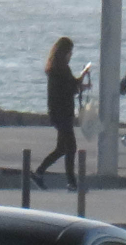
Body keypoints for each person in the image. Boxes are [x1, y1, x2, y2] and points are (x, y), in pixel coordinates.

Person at [31, 36, 90, 189]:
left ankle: (39, 173)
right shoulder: (60, 69)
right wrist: (79, 85)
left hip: (59, 112)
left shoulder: (56, 68)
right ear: (64, 52)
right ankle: (71, 182)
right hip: (62, 113)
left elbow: (70, 86)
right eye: (70, 52)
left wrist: (81, 80)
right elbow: (68, 89)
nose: (71, 55)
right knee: (70, 147)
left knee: (62, 148)